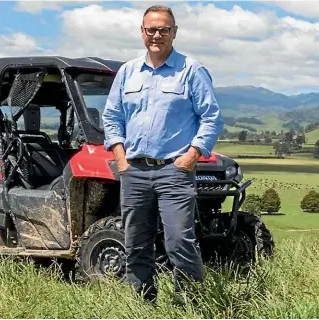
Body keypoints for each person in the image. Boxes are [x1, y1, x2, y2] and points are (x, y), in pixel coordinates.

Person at [102, 5, 224, 303]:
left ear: (174, 32)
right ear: (142, 32)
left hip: (175, 171)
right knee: (135, 244)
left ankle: (190, 304)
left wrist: (192, 156)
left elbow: (212, 117)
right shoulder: (128, 72)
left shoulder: (191, 70)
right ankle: (142, 304)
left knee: (180, 241)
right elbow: (111, 117)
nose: (157, 35)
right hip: (134, 171)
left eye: (164, 29)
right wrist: (121, 159)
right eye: (151, 29)